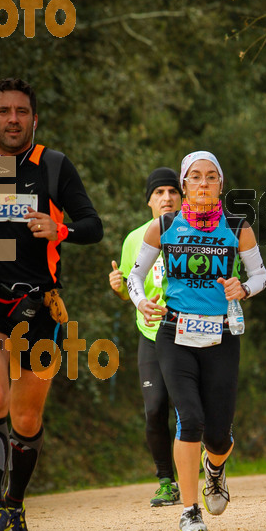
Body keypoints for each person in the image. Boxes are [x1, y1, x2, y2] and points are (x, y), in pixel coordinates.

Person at [127, 151, 266, 531]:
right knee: (189, 419)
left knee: (218, 436)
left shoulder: (238, 227)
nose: (203, 184)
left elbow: (261, 275)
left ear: (221, 184)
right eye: (195, 177)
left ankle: (215, 468)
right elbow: (134, 277)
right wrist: (141, 301)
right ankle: (189, 511)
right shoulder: (163, 226)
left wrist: (244, 287)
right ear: (185, 184)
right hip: (174, 333)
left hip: (222, 334)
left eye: (210, 177)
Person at [0, 77, 103, 531]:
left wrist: (59, 229)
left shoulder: (53, 166)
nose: (12, 120)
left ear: (34, 120)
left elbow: (93, 226)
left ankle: (13, 505)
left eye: (21, 112)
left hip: (38, 305)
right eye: (3, 111)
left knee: (23, 418)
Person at [109, 169, 183, 506]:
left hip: (187, 333)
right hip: (151, 335)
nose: (166, 197)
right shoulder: (134, 238)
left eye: (172, 191)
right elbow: (130, 287)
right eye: (159, 192)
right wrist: (119, 289)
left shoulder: (195, 233)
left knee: (188, 410)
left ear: (182, 197)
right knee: (155, 410)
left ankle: (204, 470)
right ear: (149, 200)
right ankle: (166, 481)